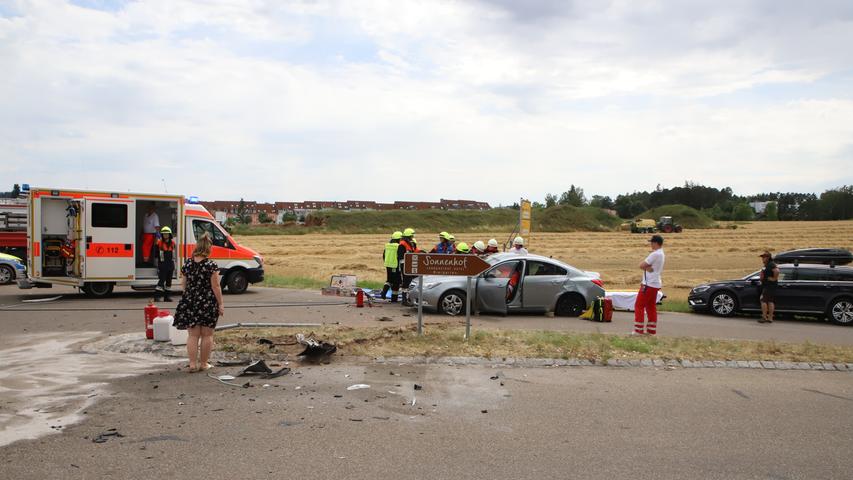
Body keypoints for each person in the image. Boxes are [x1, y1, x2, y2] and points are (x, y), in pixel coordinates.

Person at [173, 233, 224, 372]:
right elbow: (215, 286)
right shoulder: (211, 265)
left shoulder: (188, 264)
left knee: (193, 335)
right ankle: (203, 363)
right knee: (207, 334)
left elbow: (183, 283)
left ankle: (192, 364)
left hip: (190, 301)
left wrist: (189, 295)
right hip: (208, 302)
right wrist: (220, 303)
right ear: (209, 248)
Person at [633, 235, 665, 335]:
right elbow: (646, 266)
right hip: (655, 284)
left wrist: (646, 267)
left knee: (639, 305)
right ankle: (651, 330)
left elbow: (641, 265)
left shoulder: (655, 254)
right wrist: (648, 267)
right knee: (651, 306)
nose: (650, 244)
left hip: (648, 284)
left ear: (656, 243)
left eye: (651, 242)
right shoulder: (661, 253)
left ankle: (639, 330)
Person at [154, 226, 176, 302]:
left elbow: (174, 255)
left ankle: (167, 297)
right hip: (163, 265)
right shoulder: (159, 243)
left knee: (169, 282)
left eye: (167, 234)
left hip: (170, 264)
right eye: (164, 234)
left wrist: (174, 265)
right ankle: (157, 297)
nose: (165, 235)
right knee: (161, 281)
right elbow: (156, 255)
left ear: (169, 235)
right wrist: (157, 265)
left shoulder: (173, 243)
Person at [398, 228, 420, 305]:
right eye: (412, 235)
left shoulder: (410, 244)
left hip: (410, 266)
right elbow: (400, 257)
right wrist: (405, 266)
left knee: (410, 282)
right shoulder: (402, 244)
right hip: (405, 266)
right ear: (408, 236)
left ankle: (408, 298)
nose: (413, 237)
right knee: (406, 282)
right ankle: (404, 300)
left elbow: (415, 252)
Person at [380, 231, 403, 302]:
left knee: (389, 279)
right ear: (399, 239)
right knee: (397, 282)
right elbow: (400, 257)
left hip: (388, 265)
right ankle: (394, 299)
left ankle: (383, 293)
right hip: (395, 266)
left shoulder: (387, 246)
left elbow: (384, 255)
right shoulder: (398, 246)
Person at [759, 251, 780, 324]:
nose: (762, 259)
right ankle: (770, 318)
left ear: (768, 257)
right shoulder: (767, 264)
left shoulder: (771, 264)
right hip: (768, 286)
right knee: (770, 301)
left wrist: (774, 278)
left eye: (764, 257)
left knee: (763, 300)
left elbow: (777, 271)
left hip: (769, 286)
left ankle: (764, 317)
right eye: (762, 257)